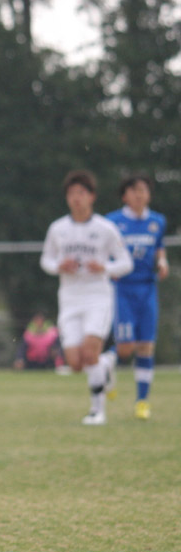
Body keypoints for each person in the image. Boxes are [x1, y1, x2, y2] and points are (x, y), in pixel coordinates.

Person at [40, 169, 132, 425]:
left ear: (92, 196)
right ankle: (107, 362)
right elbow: (45, 260)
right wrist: (59, 265)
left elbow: (126, 263)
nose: (76, 198)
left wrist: (105, 268)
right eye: (71, 194)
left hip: (97, 296)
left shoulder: (105, 228)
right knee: (76, 363)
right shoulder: (58, 228)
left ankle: (97, 410)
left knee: (89, 353)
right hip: (69, 298)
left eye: (81, 193)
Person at [105, 174, 168, 420]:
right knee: (125, 348)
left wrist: (162, 262)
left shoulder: (157, 221)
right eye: (134, 190)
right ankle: (107, 366)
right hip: (122, 288)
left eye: (143, 190)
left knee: (146, 345)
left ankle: (142, 401)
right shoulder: (112, 222)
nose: (139, 195)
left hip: (147, 288)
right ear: (124, 196)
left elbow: (159, 247)